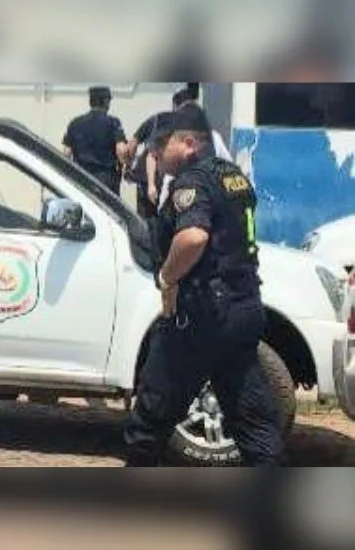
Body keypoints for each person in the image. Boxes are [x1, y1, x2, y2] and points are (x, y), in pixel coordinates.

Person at [122, 107, 285, 466]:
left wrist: (167, 276)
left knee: (149, 422)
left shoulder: (191, 181)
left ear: (188, 143)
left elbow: (194, 238)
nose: (154, 156)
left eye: (159, 147)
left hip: (201, 316)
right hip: (243, 309)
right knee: (254, 426)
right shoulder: (233, 176)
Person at [62, 86, 129, 195]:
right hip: (106, 179)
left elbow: (66, 153)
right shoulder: (113, 122)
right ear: (105, 101)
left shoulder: (74, 123)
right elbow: (121, 150)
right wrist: (127, 164)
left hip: (81, 177)